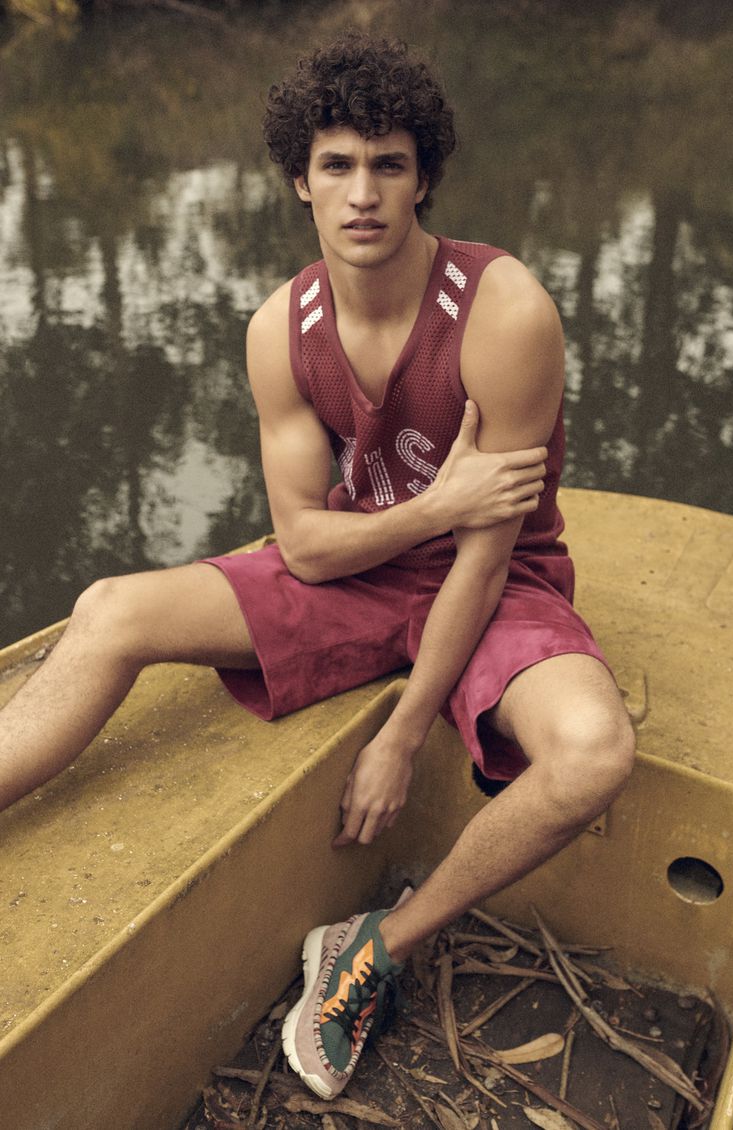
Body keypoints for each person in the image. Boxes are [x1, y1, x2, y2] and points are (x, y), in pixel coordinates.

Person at [0, 31, 635, 1102]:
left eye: (388, 164)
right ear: (299, 179)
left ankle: (374, 947)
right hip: (364, 561)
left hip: (496, 582)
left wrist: (402, 733)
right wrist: (433, 504)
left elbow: (483, 556)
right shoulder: (278, 329)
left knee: (592, 752)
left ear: (424, 176)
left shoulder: (504, 309)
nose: (363, 194)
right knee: (109, 608)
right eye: (336, 165)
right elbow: (301, 542)